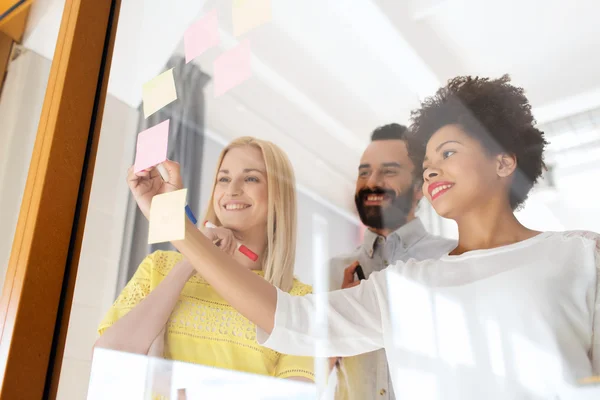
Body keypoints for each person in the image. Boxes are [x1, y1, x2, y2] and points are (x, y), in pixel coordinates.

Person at [127, 76, 599, 399]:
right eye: (429, 160)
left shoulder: (580, 255)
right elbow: (290, 318)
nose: (432, 167)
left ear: (504, 161)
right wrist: (171, 218)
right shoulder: (406, 285)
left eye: (449, 152)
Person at [95, 136, 315, 383]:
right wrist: (193, 258)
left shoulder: (299, 300)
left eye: (251, 178)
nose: (232, 190)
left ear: (279, 195)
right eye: (224, 179)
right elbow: (109, 362)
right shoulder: (158, 267)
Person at [329, 123, 455, 400]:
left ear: (420, 186)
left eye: (388, 171)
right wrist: (341, 314)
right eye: (364, 172)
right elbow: (309, 371)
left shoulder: (453, 259)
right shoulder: (334, 271)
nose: (372, 182)